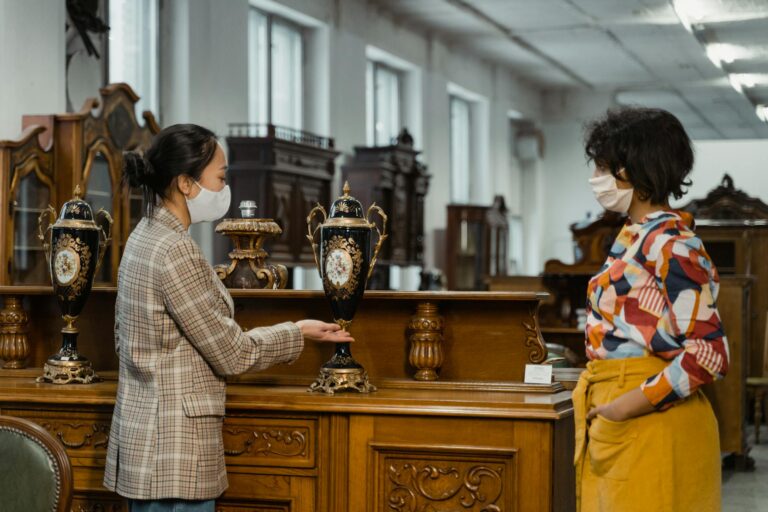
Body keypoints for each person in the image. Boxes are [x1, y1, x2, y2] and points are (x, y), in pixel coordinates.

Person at [103, 124, 353, 512]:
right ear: (186, 183)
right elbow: (232, 354)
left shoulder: (143, 236)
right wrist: (298, 331)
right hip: (174, 451)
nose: (225, 188)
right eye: (220, 178)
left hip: (147, 444)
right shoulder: (174, 250)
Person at [574, 107, 729, 512]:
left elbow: (708, 354)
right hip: (627, 415)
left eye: (606, 166)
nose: (598, 176)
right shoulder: (635, 236)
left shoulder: (672, 243)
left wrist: (621, 409)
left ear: (637, 171)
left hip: (649, 420)